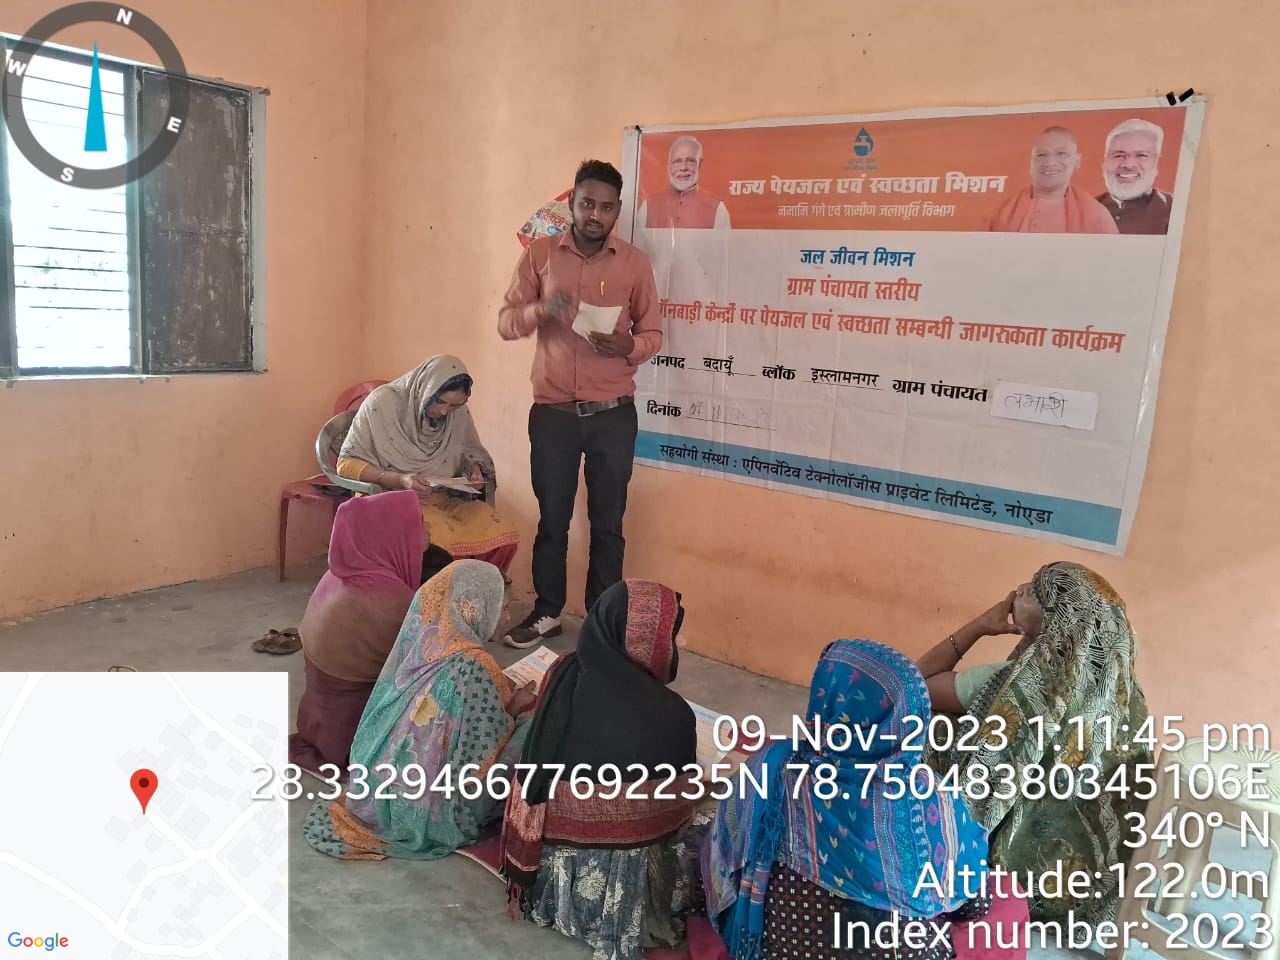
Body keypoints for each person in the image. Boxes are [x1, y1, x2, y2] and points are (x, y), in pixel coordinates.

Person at [703, 639, 997, 960]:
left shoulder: (772, 769)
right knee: (1008, 901)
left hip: (781, 949)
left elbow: (725, 862)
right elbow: (975, 903)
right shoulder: (936, 801)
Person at [919, 561, 1150, 926]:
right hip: (1086, 887)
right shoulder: (1128, 700)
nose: (1019, 591)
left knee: (928, 726)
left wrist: (978, 627)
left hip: (1007, 878)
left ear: (1057, 619)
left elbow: (916, 686)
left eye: (1033, 590)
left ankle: (938, 840)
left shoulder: (1015, 686)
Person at [498, 160, 662, 648]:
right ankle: (547, 611)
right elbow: (507, 321)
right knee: (553, 520)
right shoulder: (541, 255)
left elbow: (654, 333)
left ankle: (601, 621)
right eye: (587, 203)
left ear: (617, 211)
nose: (595, 215)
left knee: (608, 524)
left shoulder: (634, 263)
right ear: (571, 202)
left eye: (606, 207)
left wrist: (628, 346)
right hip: (554, 416)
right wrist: (541, 310)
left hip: (613, 415)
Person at [499, 579, 709, 960]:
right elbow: (677, 810)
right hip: (624, 892)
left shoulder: (563, 670)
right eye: (668, 637)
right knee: (716, 823)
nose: (674, 646)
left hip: (549, 874)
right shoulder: (670, 715)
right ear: (643, 640)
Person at [302, 559, 538, 860]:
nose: (506, 617)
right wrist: (517, 709)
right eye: (503, 607)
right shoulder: (476, 666)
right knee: (532, 728)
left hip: (378, 784)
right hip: (431, 807)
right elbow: (484, 745)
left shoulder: (425, 640)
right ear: (473, 607)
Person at [336, 354, 520, 576]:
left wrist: (474, 472)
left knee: (502, 532)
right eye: (439, 401)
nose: (444, 412)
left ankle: (473, 594)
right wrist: (400, 479)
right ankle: (429, 596)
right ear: (424, 389)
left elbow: (467, 453)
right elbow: (346, 464)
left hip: (442, 497)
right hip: (391, 498)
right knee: (435, 540)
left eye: (453, 405)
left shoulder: (457, 414)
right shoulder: (382, 404)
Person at [288, 490, 424, 774]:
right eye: (419, 524)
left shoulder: (339, 575)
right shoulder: (390, 597)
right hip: (351, 737)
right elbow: (427, 665)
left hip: (317, 721)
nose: (428, 530)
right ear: (392, 535)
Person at [987, 127, 1119, 234]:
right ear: (1031, 162)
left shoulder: (1096, 215)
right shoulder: (1003, 211)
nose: (1049, 162)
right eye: (1041, 155)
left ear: (1077, 161)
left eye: (1061, 154)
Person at [636, 135, 731, 230]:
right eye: (677, 162)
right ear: (668, 167)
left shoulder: (717, 208)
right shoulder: (647, 206)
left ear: (700, 164)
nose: (683, 168)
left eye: (690, 161)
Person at [1096, 118, 1172, 235]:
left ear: (1158, 164)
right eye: (1118, 155)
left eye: (1141, 155)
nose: (1128, 165)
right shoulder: (1083, 209)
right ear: (1104, 164)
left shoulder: (1175, 210)